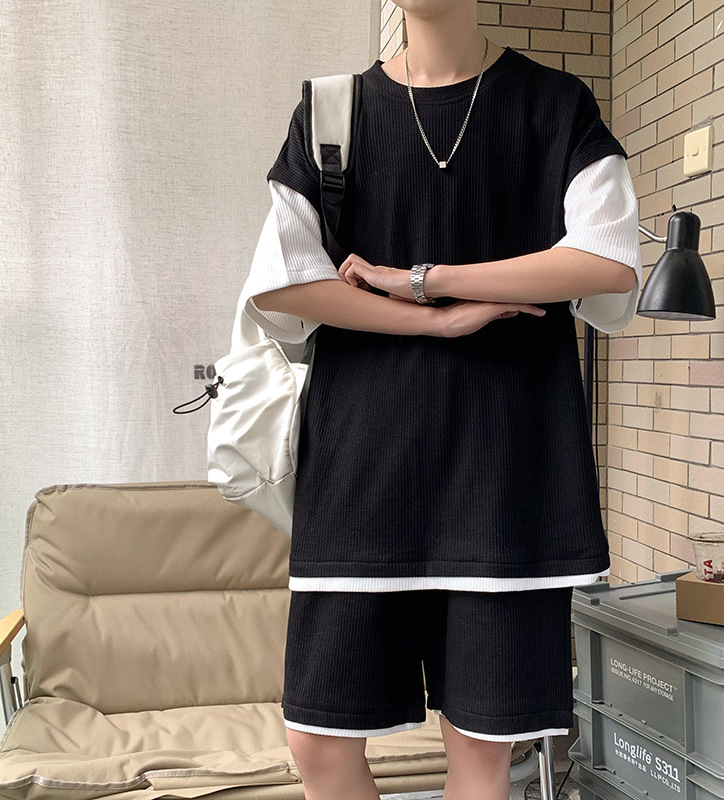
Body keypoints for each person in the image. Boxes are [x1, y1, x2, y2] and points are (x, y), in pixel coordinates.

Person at [245, 2, 641, 798]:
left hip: (506, 472)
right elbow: (286, 283)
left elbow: (607, 261)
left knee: (482, 745)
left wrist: (429, 280)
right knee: (317, 738)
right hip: (360, 473)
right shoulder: (330, 111)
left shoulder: (555, 104)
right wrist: (436, 321)